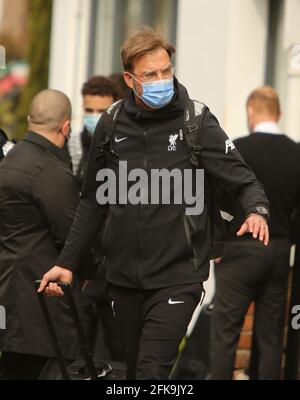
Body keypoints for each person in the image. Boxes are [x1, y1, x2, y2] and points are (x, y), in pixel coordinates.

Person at [38, 28, 270, 380]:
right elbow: (92, 203)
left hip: (179, 277)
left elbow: (244, 179)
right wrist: (68, 263)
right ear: (130, 80)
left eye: (166, 70)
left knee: (151, 371)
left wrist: (256, 210)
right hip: (123, 279)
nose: (162, 79)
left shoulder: (196, 121)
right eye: (151, 74)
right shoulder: (111, 124)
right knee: (134, 372)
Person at [0, 89, 92, 379]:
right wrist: (94, 270)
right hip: (45, 307)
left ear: (29, 120)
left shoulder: (10, 161)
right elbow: (73, 237)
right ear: (66, 127)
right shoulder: (49, 171)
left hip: (11, 296)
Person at [210, 86, 300, 380]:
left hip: (241, 248)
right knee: (271, 336)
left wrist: (217, 246)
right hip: (278, 250)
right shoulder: (296, 153)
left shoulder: (238, 150)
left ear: (250, 110)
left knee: (225, 333)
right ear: (280, 113)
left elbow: (218, 199)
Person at [75, 76, 120, 187]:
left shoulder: (123, 144)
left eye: (101, 111)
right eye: (89, 110)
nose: (94, 116)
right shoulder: (71, 144)